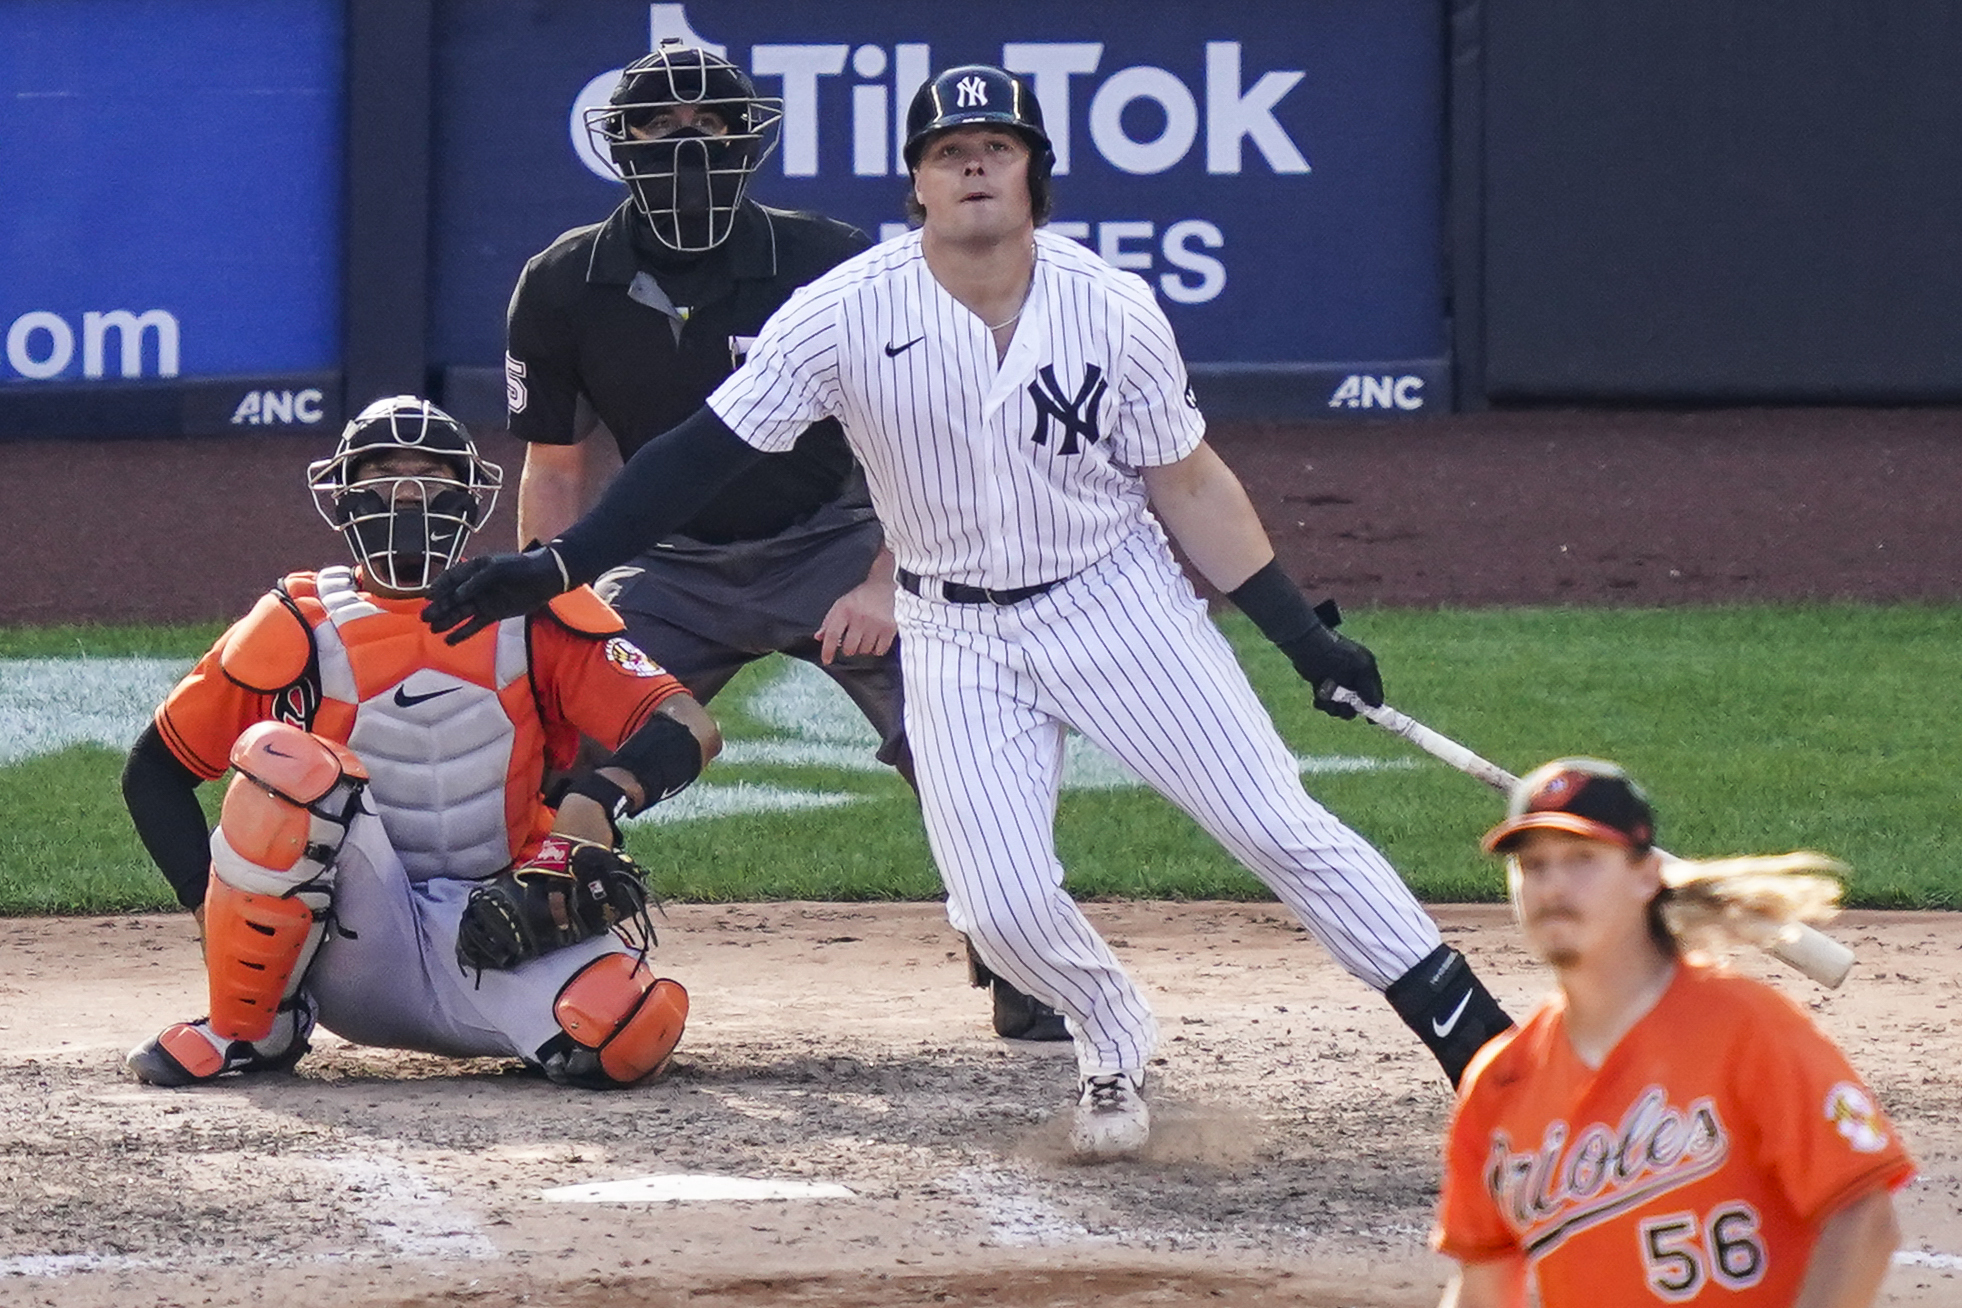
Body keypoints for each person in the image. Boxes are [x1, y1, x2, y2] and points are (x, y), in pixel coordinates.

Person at [422, 65, 1514, 1158]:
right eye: (950, 151)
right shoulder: (847, 309)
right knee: (997, 910)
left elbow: (1190, 483)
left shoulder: (1113, 307)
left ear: (1037, 171)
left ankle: (1486, 1050)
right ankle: (1112, 1038)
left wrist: (1303, 637)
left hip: (1115, 603)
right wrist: (560, 561)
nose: (976, 163)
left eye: (998, 145)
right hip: (954, 631)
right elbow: (702, 453)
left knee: (1279, 828)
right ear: (918, 186)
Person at [509, 40, 1066, 1042]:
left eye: (709, 129)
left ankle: (1018, 946)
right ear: (619, 145)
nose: (686, 148)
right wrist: (559, 614)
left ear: (747, 142)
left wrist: (889, 581)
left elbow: (929, 431)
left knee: (966, 734)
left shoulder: (835, 259)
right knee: (551, 740)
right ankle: (551, 962)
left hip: (843, 538)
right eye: (658, 129)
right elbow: (558, 465)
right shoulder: (561, 284)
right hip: (671, 562)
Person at [119, 396, 720, 1090]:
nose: (407, 496)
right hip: (345, 945)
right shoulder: (294, 621)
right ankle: (253, 1027)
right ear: (344, 498)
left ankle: (539, 1021)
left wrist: (593, 805)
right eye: (382, 474)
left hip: (504, 923)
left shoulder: (532, 607)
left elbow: (689, 727)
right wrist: (216, 917)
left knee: (633, 1033)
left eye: (429, 475)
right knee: (286, 767)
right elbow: (153, 772)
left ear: (468, 497)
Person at [1435, 758, 1912, 1307]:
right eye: (1533, 865)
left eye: (1582, 859)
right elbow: (1482, 1286)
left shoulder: (1744, 1029)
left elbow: (1865, 1218)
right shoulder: (1500, 1083)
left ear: (1645, 876)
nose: (1553, 886)